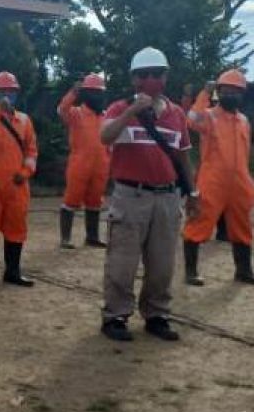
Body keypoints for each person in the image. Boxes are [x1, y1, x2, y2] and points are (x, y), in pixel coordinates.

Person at [99, 47, 199, 342]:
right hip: (131, 195)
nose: (151, 79)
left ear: (165, 77)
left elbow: (183, 158)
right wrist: (132, 111)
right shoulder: (119, 109)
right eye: (144, 75)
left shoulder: (176, 114)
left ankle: (157, 315)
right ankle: (115, 315)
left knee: (162, 262)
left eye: (157, 74)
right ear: (134, 79)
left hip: (167, 197)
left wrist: (192, 191)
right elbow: (104, 137)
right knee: (122, 260)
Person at [182, 70, 254, 285]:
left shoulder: (244, 120)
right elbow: (191, 120)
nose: (231, 95)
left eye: (236, 91)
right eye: (227, 90)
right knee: (199, 223)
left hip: (240, 181)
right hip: (213, 179)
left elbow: (245, 150)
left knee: (242, 226)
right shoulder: (209, 115)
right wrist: (205, 92)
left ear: (242, 95)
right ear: (219, 92)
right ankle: (191, 271)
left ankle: (243, 271)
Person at [0, 71, 38, 288]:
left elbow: (32, 151)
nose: (8, 96)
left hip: (17, 185)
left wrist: (26, 172)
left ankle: (13, 271)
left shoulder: (24, 120)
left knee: (17, 227)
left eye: (12, 92)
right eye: (4, 92)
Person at [57, 73, 110, 249]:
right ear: (85, 94)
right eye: (92, 92)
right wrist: (73, 92)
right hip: (79, 163)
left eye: (99, 92)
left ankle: (92, 237)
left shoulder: (105, 116)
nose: (96, 96)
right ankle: (65, 238)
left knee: (95, 201)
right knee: (71, 199)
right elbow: (61, 110)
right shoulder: (76, 113)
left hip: (101, 164)